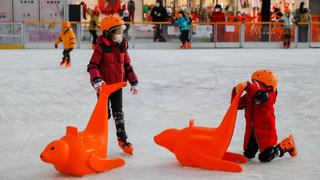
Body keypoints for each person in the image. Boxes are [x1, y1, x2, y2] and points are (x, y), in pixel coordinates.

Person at [87, 16, 138, 155]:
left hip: (117, 86)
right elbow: (93, 65)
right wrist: (97, 79)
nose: (120, 34)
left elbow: (127, 65)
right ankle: (96, 140)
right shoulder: (101, 47)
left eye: (121, 31)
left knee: (118, 113)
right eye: (117, 31)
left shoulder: (122, 47)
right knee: (104, 115)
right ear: (107, 33)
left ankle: (122, 139)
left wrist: (133, 81)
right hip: (103, 88)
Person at [232, 70, 297, 162]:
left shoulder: (270, 95)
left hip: (266, 133)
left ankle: (286, 145)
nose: (253, 84)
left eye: (256, 83)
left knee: (265, 157)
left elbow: (260, 96)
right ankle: (255, 147)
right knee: (248, 154)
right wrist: (236, 91)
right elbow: (237, 105)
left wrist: (248, 86)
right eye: (253, 82)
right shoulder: (249, 95)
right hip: (252, 133)